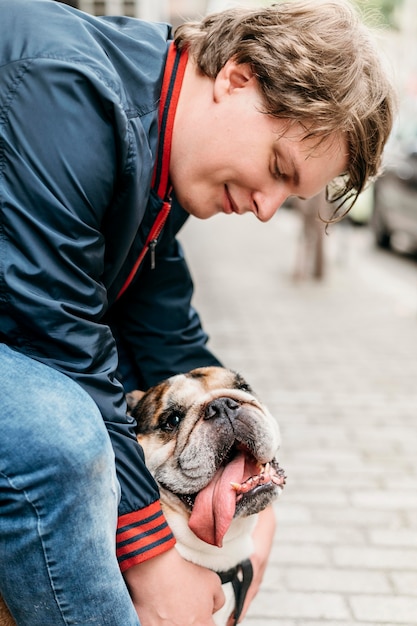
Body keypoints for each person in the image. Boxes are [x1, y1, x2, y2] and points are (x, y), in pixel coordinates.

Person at [0, 0, 395, 624]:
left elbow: (167, 337)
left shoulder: (158, 161)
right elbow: (57, 341)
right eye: (275, 169)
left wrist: (246, 485)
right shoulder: (67, 92)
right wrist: (154, 563)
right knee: (63, 433)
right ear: (236, 77)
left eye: (288, 195)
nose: (266, 209)